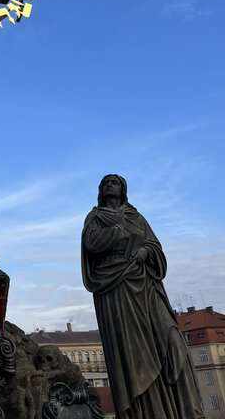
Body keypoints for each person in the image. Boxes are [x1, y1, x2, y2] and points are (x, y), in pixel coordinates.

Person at [81, 174, 204, 419]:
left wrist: (147, 250)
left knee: (173, 339)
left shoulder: (135, 216)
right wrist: (118, 234)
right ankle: (146, 412)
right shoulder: (95, 218)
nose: (109, 185)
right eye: (105, 183)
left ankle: (183, 410)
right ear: (101, 191)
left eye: (114, 182)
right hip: (116, 289)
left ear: (123, 189)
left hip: (146, 286)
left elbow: (155, 246)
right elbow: (91, 244)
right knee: (132, 352)